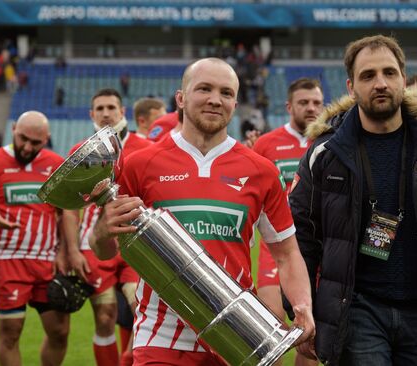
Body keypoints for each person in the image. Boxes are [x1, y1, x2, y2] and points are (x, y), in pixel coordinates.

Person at [289, 35, 417, 366]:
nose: (380, 83)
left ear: (404, 78)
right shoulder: (325, 154)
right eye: (368, 76)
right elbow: (301, 239)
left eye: (389, 73)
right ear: (351, 86)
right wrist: (300, 308)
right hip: (357, 311)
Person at [88, 57, 315, 365]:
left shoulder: (261, 171)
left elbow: (287, 253)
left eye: (225, 93)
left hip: (237, 336)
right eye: (204, 89)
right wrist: (103, 229)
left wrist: (302, 305)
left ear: (235, 103)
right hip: (161, 336)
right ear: (181, 98)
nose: (214, 100)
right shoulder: (141, 164)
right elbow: (102, 250)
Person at [0, 111, 69, 366]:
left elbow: (65, 212)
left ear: (47, 138)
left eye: (35, 143)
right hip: (8, 260)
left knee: (60, 332)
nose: (27, 147)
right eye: (23, 138)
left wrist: (64, 252)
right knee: (10, 333)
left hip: (48, 262)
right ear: (13, 128)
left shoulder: (56, 164)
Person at [63, 88, 152, 366]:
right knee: (104, 318)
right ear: (91, 114)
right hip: (94, 243)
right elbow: (69, 207)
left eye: (111, 107)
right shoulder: (79, 151)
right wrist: (72, 251)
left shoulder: (145, 147)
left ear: (122, 112)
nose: (105, 113)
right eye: (99, 108)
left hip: (135, 244)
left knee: (140, 310)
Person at [252, 77, 323, 366]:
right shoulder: (266, 144)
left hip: (316, 248)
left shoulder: (330, 141)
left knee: (308, 333)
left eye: (317, 102)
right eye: (304, 102)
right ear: (289, 106)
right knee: (270, 330)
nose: (311, 108)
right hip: (276, 246)